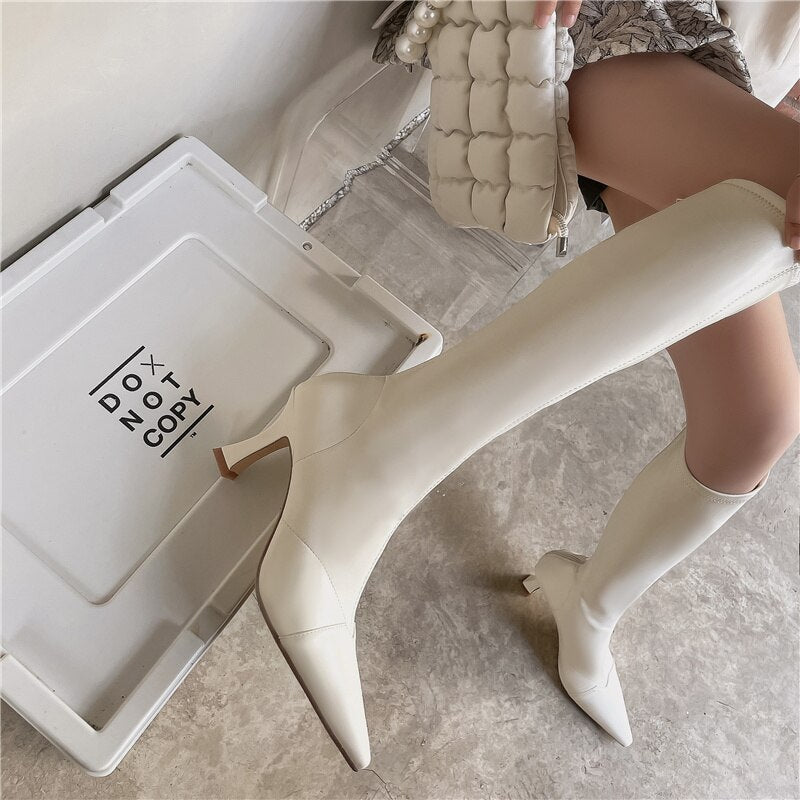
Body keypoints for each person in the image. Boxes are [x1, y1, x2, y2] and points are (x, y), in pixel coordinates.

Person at [214, 0, 800, 770]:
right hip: (610, 19)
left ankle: (588, 605)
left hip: (732, 64)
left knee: (755, 424)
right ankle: (376, 448)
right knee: (778, 196)